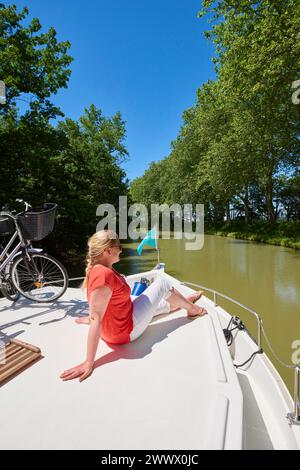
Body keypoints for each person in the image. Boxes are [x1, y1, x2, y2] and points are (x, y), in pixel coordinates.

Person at [60, 230, 207, 382]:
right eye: (119, 246)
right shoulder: (105, 275)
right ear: (108, 250)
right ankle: (192, 310)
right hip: (125, 331)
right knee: (162, 284)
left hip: (123, 315)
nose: (121, 250)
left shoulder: (98, 269)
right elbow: (96, 316)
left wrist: (92, 318)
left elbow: (100, 304)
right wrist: (88, 362)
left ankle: (183, 302)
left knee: (160, 302)